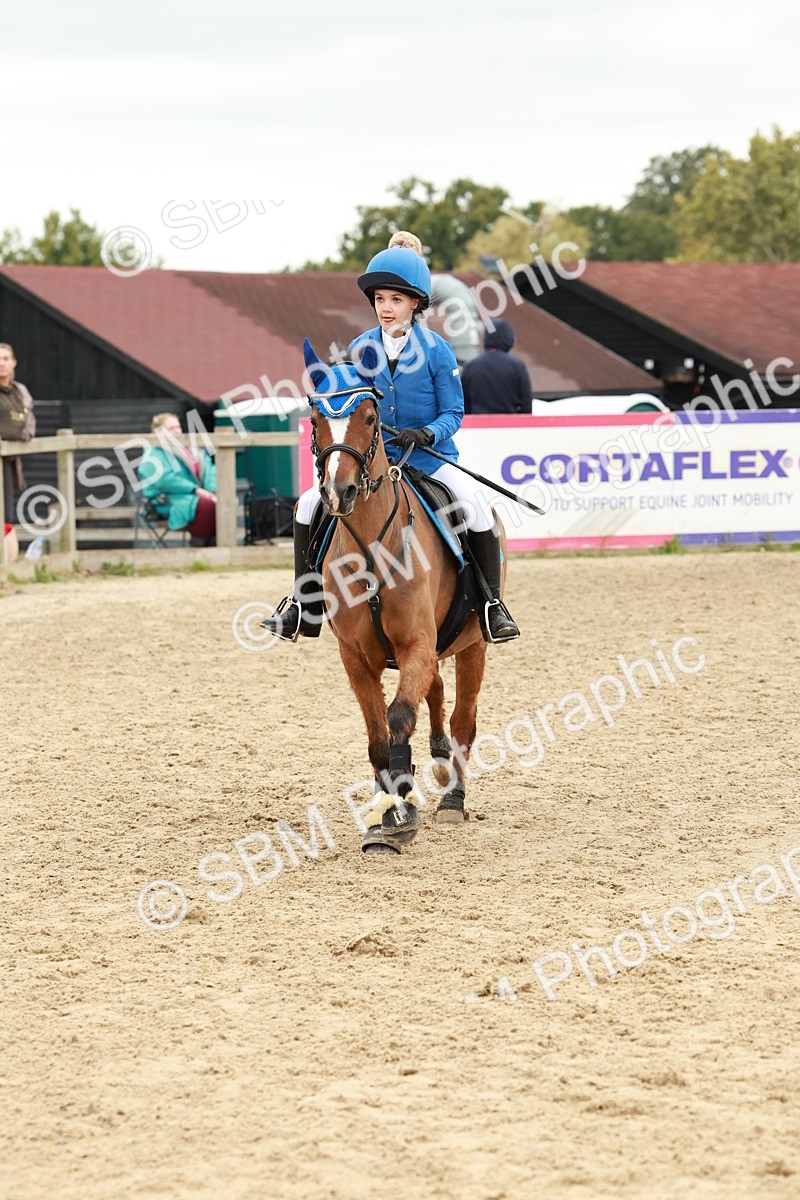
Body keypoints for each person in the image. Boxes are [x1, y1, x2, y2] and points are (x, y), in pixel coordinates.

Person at [262, 231, 519, 644]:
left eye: (396, 300)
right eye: (380, 299)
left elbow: (454, 412)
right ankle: (302, 603)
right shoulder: (361, 348)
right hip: (372, 465)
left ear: (415, 303)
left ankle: (492, 606)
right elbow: (349, 407)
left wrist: (428, 432)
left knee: (475, 509)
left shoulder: (438, 351)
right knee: (308, 504)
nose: (386, 308)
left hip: (428, 461)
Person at [137, 413, 217, 544]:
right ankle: (198, 547)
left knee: (222, 503)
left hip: (195, 495)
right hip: (165, 500)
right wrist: (196, 490)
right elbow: (164, 480)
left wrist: (212, 491)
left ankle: (214, 547)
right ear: (158, 432)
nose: (177, 431)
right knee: (208, 506)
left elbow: (210, 469)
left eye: (178, 427)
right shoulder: (153, 453)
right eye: (171, 428)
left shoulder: (191, 449)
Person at [461, 318, 532, 415]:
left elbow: (464, 404)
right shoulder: (517, 366)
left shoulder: (470, 366)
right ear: (508, 337)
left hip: (479, 427)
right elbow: (526, 405)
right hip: (510, 426)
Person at [0, 343, 36, 525]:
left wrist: (25, 435)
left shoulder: (19, 391)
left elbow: (29, 419)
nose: (1, 363)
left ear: (13, 362)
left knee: (6, 515)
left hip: (9, 458)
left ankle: (6, 554)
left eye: (5, 359)